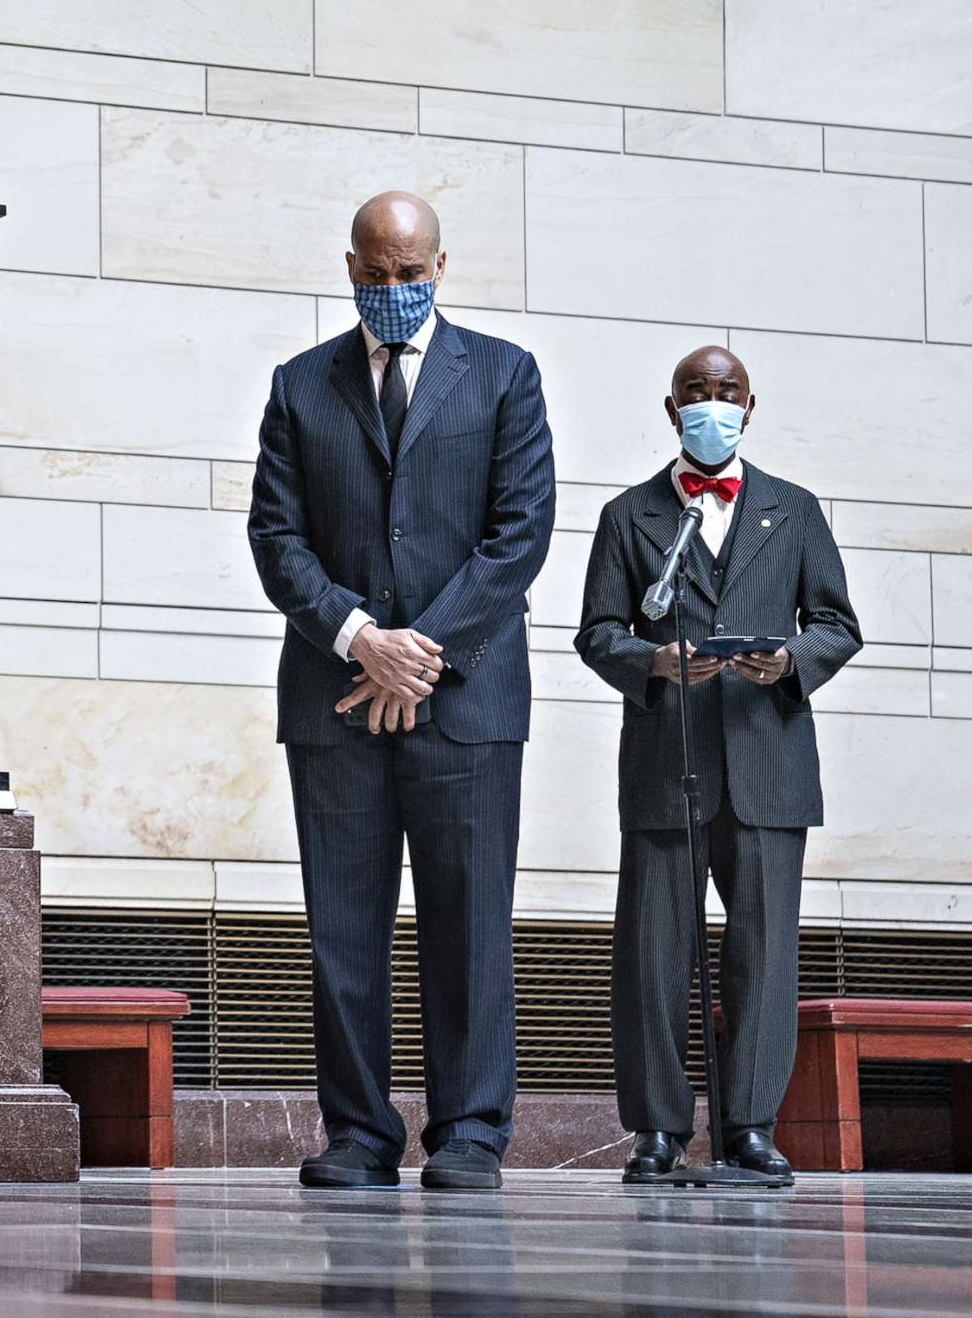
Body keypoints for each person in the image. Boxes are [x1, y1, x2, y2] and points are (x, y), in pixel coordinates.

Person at [247, 190, 556, 1191]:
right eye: (374, 277)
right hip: (336, 699)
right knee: (344, 931)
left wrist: (416, 653)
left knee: (470, 928)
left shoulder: (506, 377)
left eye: (410, 276)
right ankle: (359, 1135)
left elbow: (519, 537)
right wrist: (359, 639)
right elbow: (276, 538)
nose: (393, 292)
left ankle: (470, 1134)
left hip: (464, 703)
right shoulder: (301, 387)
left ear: (441, 268)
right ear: (350, 268)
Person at [574, 346, 860, 1184]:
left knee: (763, 954)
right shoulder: (632, 516)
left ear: (750, 404)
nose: (712, 404)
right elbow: (597, 632)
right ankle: (658, 1129)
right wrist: (652, 662)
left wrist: (792, 659)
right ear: (672, 411)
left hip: (769, 761)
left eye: (726, 392)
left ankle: (751, 1127)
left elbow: (838, 623)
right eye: (696, 393)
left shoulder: (795, 511)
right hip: (669, 759)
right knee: (654, 953)